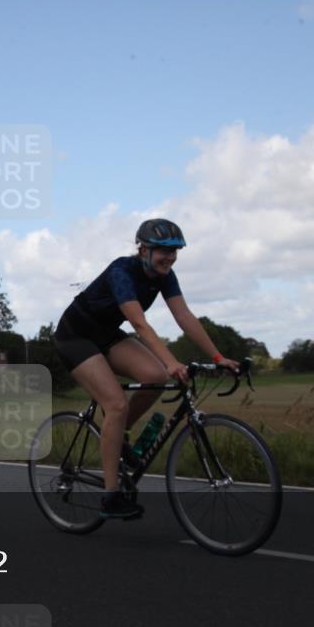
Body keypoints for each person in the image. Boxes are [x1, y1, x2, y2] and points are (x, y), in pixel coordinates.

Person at [53, 219, 240, 518]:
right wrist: (172, 360)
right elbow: (139, 324)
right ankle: (110, 496)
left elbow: (184, 316)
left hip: (107, 334)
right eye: (162, 250)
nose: (170, 256)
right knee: (115, 405)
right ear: (143, 249)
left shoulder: (165, 276)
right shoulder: (122, 271)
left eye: (175, 250)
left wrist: (218, 357)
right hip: (75, 337)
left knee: (155, 376)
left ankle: (118, 436)